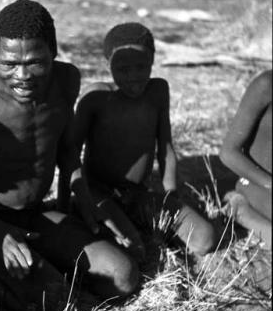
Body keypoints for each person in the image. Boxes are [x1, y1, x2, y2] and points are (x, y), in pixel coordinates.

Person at [0, 0, 138, 311]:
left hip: (35, 215)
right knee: (56, 301)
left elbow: (66, 149)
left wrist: (85, 204)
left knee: (123, 278)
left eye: (35, 62)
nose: (23, 75)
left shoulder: (67, 81)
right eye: (9, 63)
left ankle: (42, 265)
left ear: (54, 52)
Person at [73, 22, 216, 259]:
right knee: (136, 252)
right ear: (108, 64)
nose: (133, 77)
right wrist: (83, 200)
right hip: (100, 193)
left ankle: (139, 223)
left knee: (205, 239)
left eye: (142, 67)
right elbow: (71, 153)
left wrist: (171, 195)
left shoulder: (158, 91)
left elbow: (166, 146)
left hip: (138, 193)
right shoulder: (96, 98)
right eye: (123, 69)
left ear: (153, 61)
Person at [220, 70, 271, 249]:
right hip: (259, 184)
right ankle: (239, 207)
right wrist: (269, 183)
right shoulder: (266, 84)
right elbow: (228, 153)